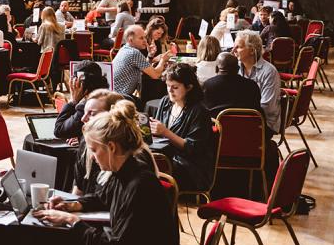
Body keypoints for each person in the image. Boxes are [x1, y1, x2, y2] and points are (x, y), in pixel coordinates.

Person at [37, 101, 188, 245]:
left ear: (111, 147)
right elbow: (102, 198)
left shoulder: (140, 185)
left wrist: (73, 221)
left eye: (94, 149)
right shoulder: (123, 171)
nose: (91, 156)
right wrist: (71, 205)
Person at [150, 63, 213, 192]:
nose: (170, 90)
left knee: (146, 172)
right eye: (168, 86)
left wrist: (165, 132)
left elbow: (192, 148)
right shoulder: (165, 102)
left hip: (190, 168)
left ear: (189, 87)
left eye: (175, 87)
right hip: (168, 157)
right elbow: (157, 137)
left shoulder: (199, 111)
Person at [233, 30, 281, 133]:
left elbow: (267, 106)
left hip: (264, 122)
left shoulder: (269, 72)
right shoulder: (235, 68)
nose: (234, 50)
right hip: (242, 118)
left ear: (252, 50)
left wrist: (240, 114)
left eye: (239, 47)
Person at [110, 25, 169, 98]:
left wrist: (150, 55)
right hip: (121, 99)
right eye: (141, 38)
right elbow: (155, 75)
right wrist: (163, 60)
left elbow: (144, 68)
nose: (145, 40)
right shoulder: (134, 53)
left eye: (144, 37)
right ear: (130, 40)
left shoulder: (124, 49)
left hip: (113, 95)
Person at [55, 62, 109, 140]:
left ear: (79, 84)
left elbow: (59, 130)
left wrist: (73, 101)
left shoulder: (87, 107)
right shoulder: (112, 99)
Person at [203, 51, 263, 117]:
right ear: (237, 69)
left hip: (216, 126)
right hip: (247, 126)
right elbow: (257, 109)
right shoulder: (252, 86)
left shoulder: (207, 86)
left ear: (216, 68)